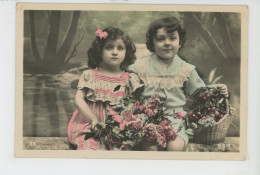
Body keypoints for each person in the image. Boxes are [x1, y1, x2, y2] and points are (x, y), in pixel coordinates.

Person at [127, 17, 229, 151]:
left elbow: (201, 92)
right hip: (148, 120)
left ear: (180, 42)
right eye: (160, 39)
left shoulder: (186, 69)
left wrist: (219, 89)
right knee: (150, 147)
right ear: (152, 43)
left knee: (175, 146)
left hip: (176, 120)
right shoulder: (140, 66)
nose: (167, 43)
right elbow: (122, 78)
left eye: (172, 38)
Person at [67, 27, 143, 150]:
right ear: (100, 51)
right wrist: (93, 119)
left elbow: (132, 106)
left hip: (117, 128)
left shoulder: (130, 79)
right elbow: (78, 100)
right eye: (109, 47)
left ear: (126, 52)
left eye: (120, 48)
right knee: (90, 149)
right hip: (90, 125)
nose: (114, 52)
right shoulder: (90, 75)